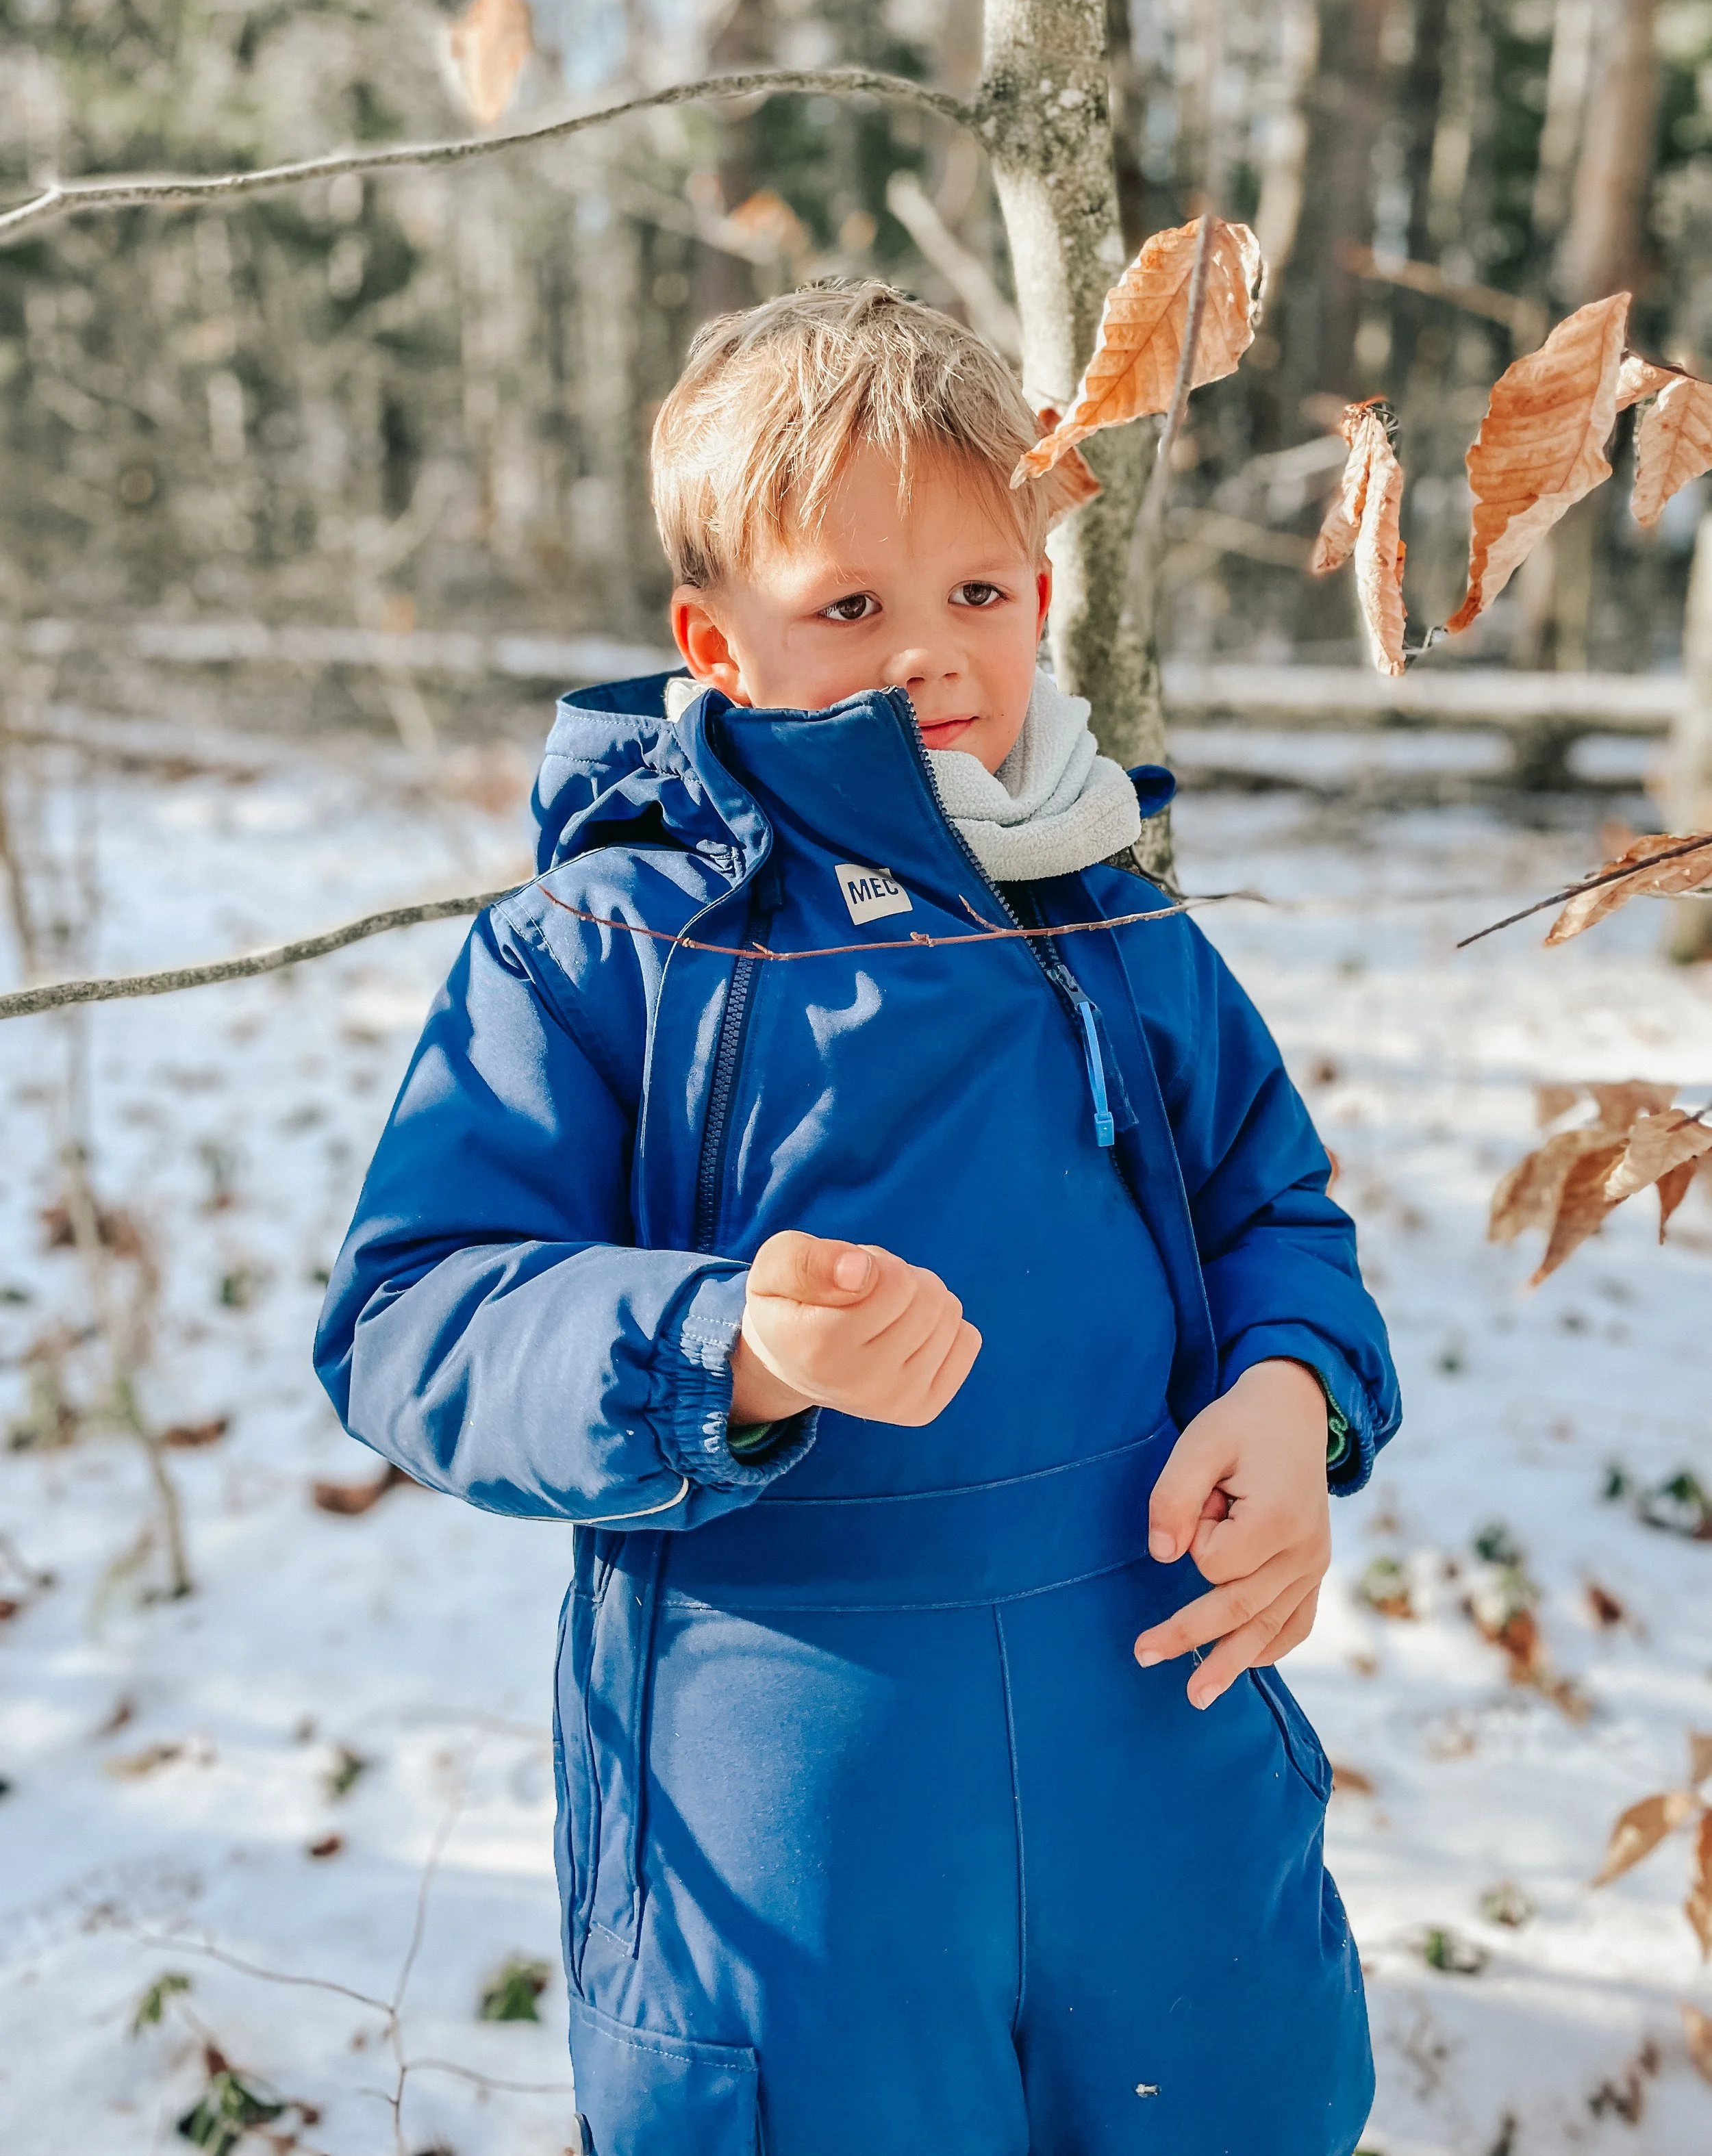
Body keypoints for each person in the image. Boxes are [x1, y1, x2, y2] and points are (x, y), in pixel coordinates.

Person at [316, 280, 1400, 2156]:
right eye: (848, 607)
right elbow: (413, 1319)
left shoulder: (1118, 923)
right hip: (793, 1785)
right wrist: (719, 1342)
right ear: (712, 641)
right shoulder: (602, 949)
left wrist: (1293, 1391)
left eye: (975, 591)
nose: (930, 654)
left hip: (1153, 1724)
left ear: (1041, 599)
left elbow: (1269, 1207)